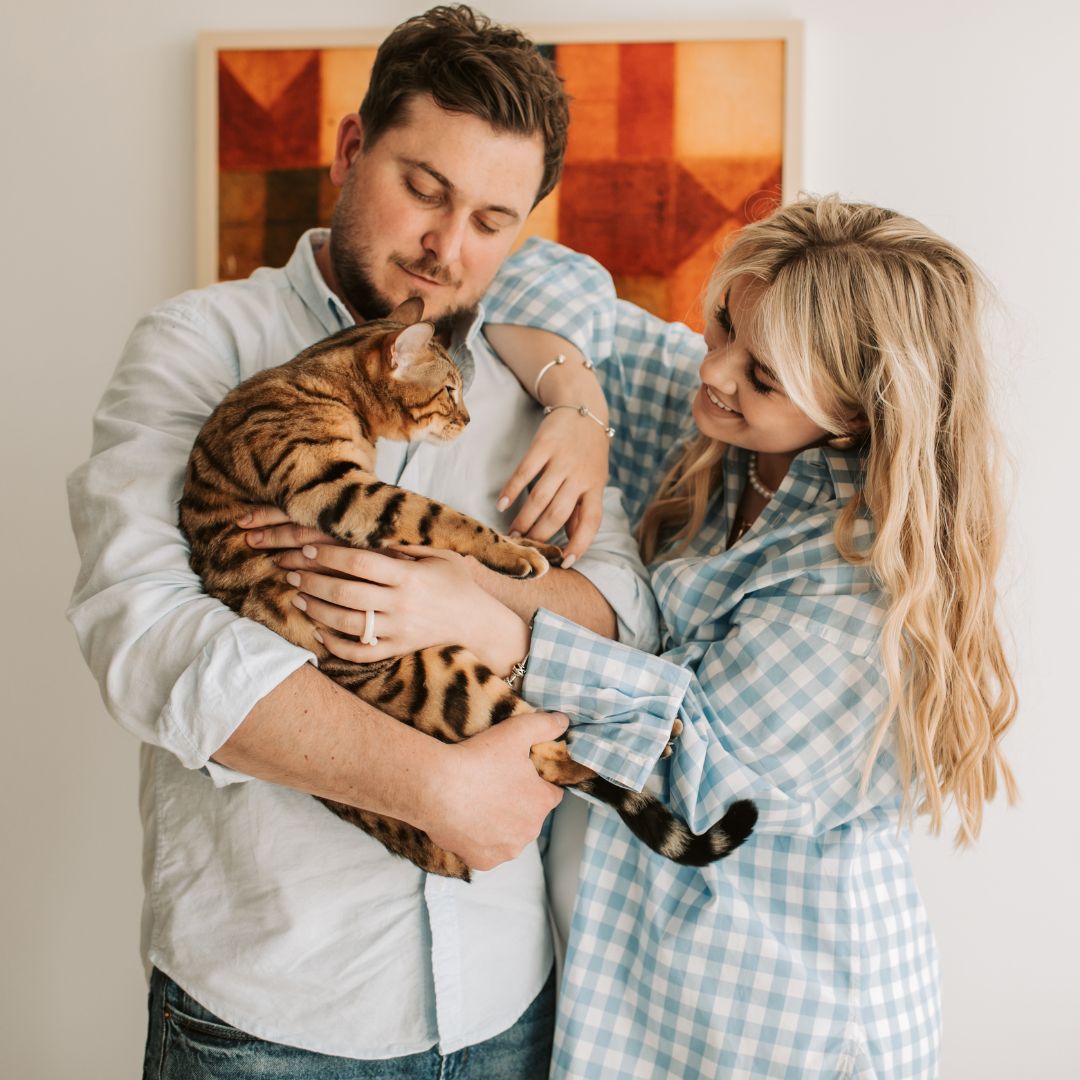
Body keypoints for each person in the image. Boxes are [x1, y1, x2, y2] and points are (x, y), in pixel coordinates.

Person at [295, 195, 1018, 1077]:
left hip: (780, 1018)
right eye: (724, 330)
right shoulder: (717, 429)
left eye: (764, 377)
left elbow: (697, 775)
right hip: (629, 996)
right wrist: (577, 407)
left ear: (856, 413)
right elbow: (534, 271)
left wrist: (486, 617)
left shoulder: (865, 580)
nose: (714, 372)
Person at [66, 6, 657, 1076]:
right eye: (423, 189)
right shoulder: (200, 346)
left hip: (510, 1006)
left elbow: (626, 613)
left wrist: (480, 606)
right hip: (265, 1017)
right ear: (350, 150)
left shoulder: (536, 384)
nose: (448, 248)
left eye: (491, 218)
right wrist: (433, 791)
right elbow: (143, 637)